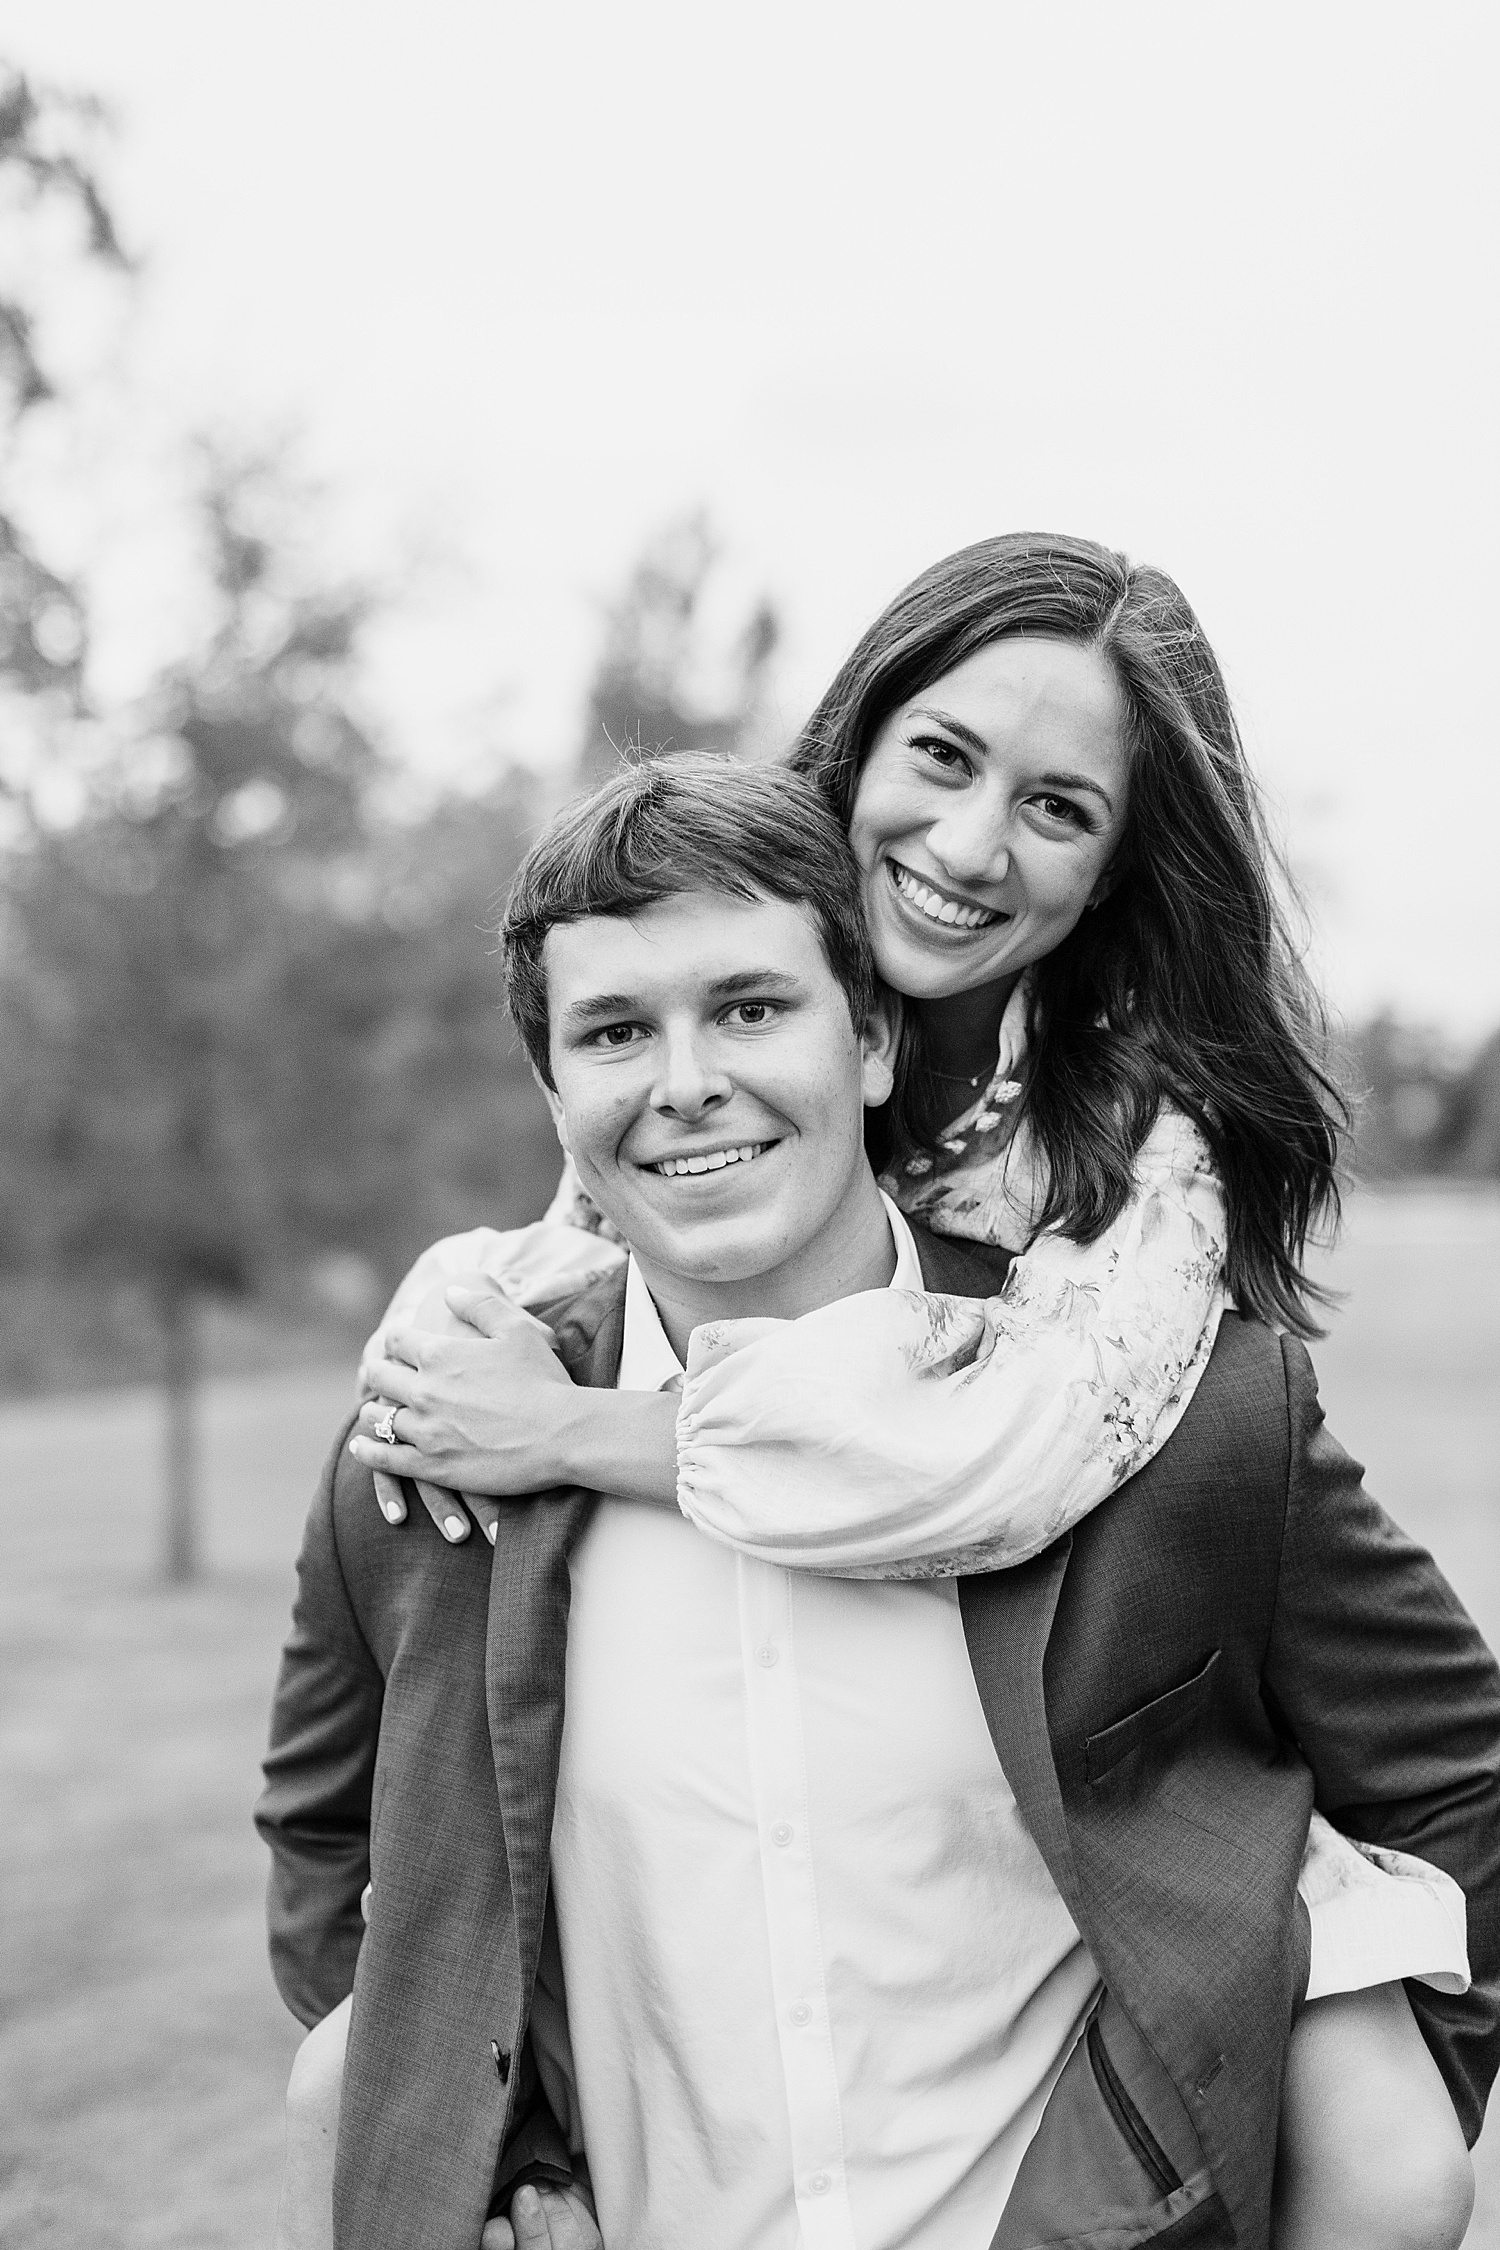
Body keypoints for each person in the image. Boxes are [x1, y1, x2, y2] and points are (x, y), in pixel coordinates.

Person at [341, 538, 1482, 2240]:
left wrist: (1295, 2073)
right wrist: (502, 2146)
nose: (963, 846)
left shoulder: (1133, 1217)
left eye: (1057, 807)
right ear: (859, 741)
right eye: (941, 758)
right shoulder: (679, 1095)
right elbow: (378, 1878)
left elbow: (984, 1454)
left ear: (1111, 875)